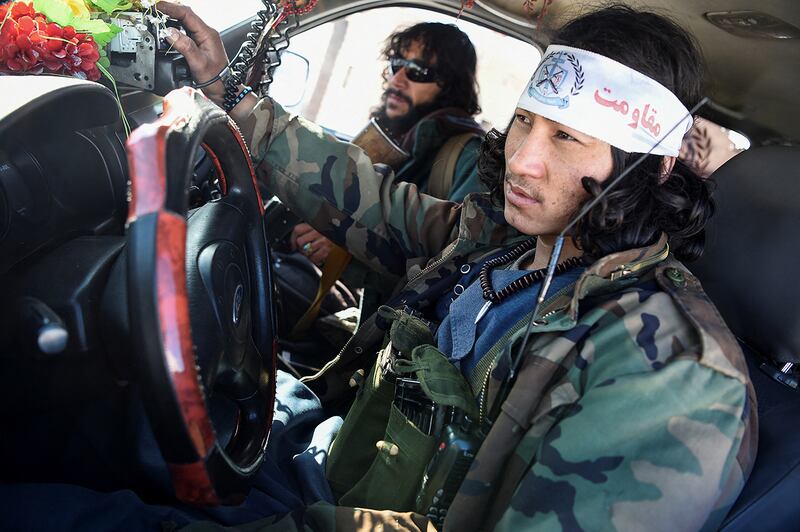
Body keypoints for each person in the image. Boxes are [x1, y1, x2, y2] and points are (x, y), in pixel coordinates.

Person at [0, 4, 756, 531]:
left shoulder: (671, 379)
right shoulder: (506, 241)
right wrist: (231, 94)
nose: (523, 160)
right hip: (323, 456)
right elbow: (368, 203)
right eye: (525, 121)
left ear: (647, 168)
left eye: (568, 140)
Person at [287, 21, 485, 267]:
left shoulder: (470, 156)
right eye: (397, 65)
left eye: (417, 71)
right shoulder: (395, 138)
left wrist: (345, 243)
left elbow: (453, 264)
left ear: (450, 85)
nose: (397, 80)